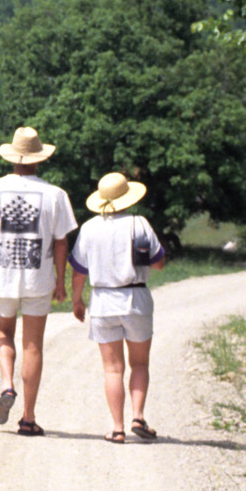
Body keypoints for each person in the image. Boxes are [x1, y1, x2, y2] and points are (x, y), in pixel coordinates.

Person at [0, 126, 77, 436]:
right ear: (38, 159)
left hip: (1, 277)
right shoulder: (55, 195)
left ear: (12, 158)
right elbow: (60, 243)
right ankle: (28, 418)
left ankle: (7, 383)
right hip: (38, 279)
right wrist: (61, 281)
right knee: (33, 346)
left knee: (3, 333)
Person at [69, 171, 167, 443]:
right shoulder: (140, 224)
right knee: (139, 363)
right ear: (128, 197)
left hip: (102, 301)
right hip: (136, 299)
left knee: (112, 369)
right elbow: (158, 263)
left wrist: (77, 301)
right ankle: (138, 416)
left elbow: (78, 271)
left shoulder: (89, 228)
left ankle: (117, 427)